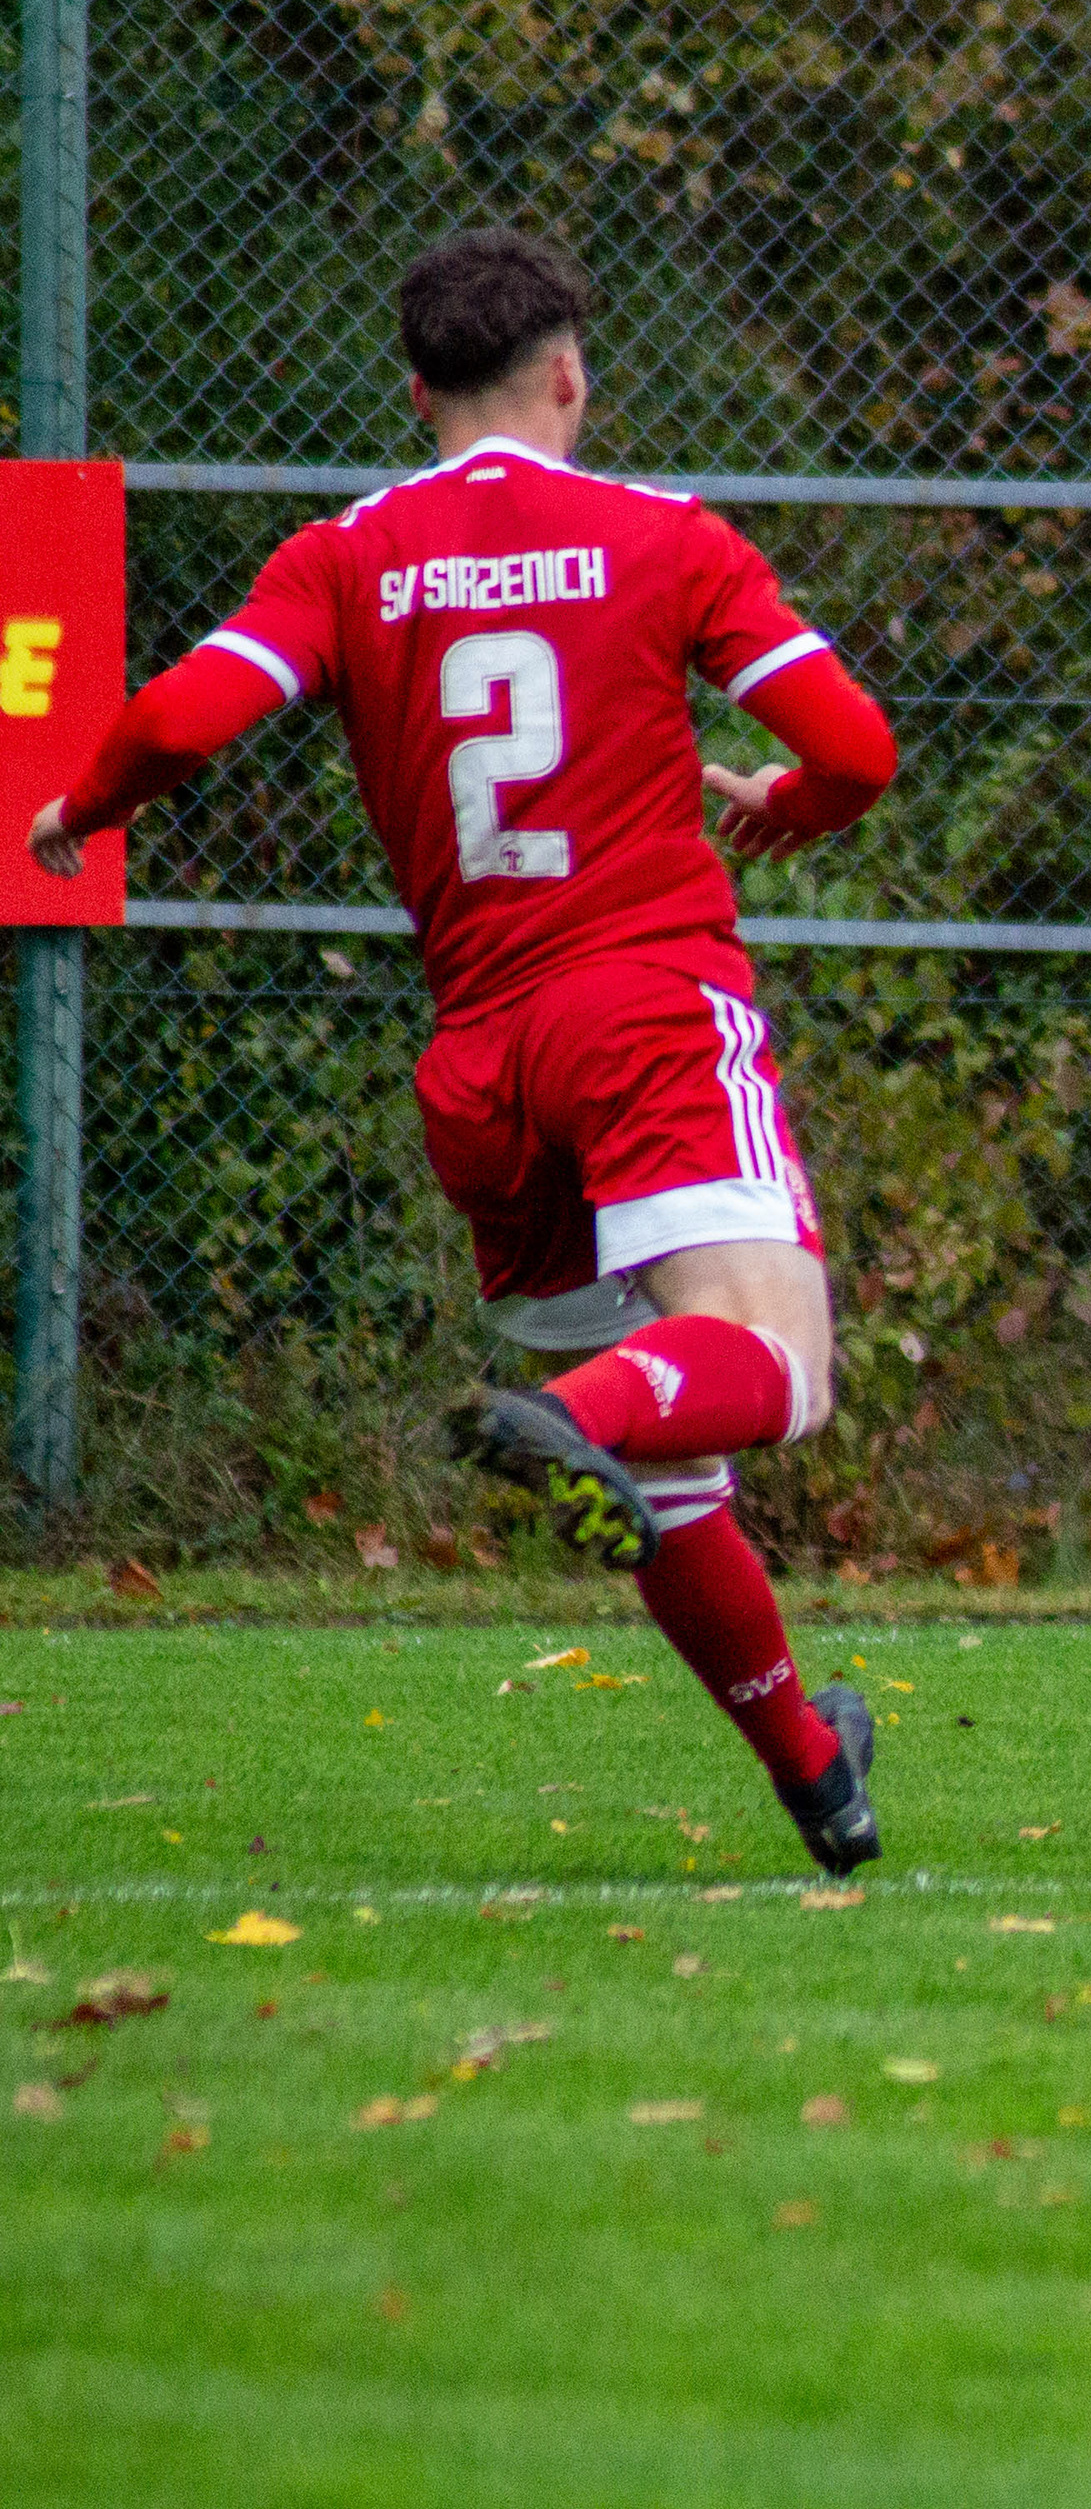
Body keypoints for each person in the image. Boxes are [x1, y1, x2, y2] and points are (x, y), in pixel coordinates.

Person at [27, 228, 903, 1875]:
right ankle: (567, 1412)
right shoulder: (665, 539)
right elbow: (858, 749)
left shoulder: (348, 558)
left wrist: (81, 803)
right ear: (569, 371)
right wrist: (788, 807)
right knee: (772, 1372)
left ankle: (815, 1775)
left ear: (415, 388)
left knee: (683, 1465)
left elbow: (184, 721)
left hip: (487, 1066)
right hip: (644, 1010)